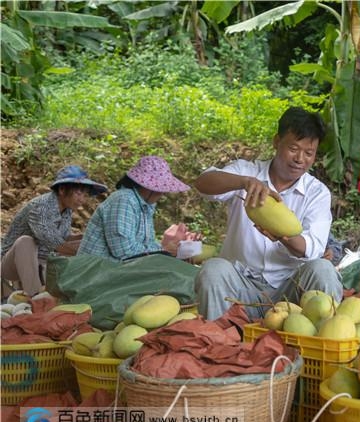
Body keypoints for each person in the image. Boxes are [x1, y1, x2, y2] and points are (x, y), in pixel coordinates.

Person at [193, 107, 343, 320]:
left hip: (291, 295)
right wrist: (243, 182)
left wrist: (284, 238)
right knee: (213, 269)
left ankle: (322, 345)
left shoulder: (317, 193)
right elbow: (202, 183)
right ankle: (220, 346)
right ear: (276, 141)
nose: (300, 159)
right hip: (241, 289)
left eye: (309, 153)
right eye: (293, 148)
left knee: (323, 270)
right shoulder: (247, 172)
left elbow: (312, 248)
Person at [1, 165, 107, 298]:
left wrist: (87, 238)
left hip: (43, 260)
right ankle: (35, 297)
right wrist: (89, 250)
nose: (82, 200)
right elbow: (55, 244)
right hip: (12, 264)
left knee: (85, 241)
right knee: (26, 241)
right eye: (78, 193)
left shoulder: (66, 209)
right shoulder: (41, 207)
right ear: (62, 190)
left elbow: (64, 238)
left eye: (85, 195)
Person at [78, 156, 192, 261]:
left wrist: (165, 250)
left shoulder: (144, 206)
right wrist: (164, 250)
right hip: (95, 273)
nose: (162, 193)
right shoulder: (124, 200)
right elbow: (123, 251)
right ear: (146, 186)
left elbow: (147, 243)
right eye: (160, 189)